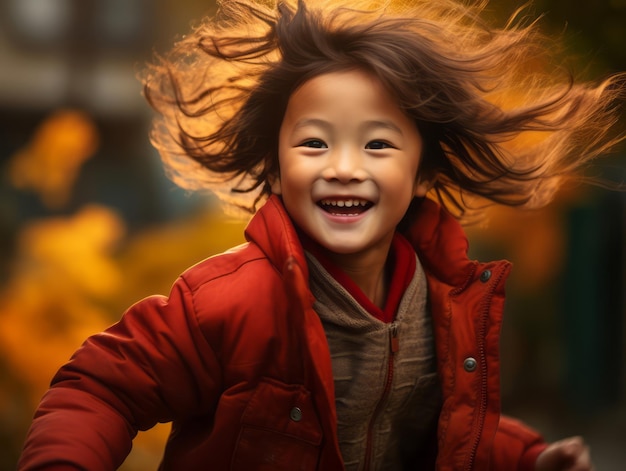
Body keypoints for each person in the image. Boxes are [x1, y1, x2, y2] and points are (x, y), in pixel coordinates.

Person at [18, 0, 624, 469]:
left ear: (422, 171)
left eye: (378, 144)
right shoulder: (226, 303)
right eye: (314, 142)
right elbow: (102, 388)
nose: (343, 166)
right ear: (277, 166)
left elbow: (438, 425)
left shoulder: (445, 300)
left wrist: (527, 459)